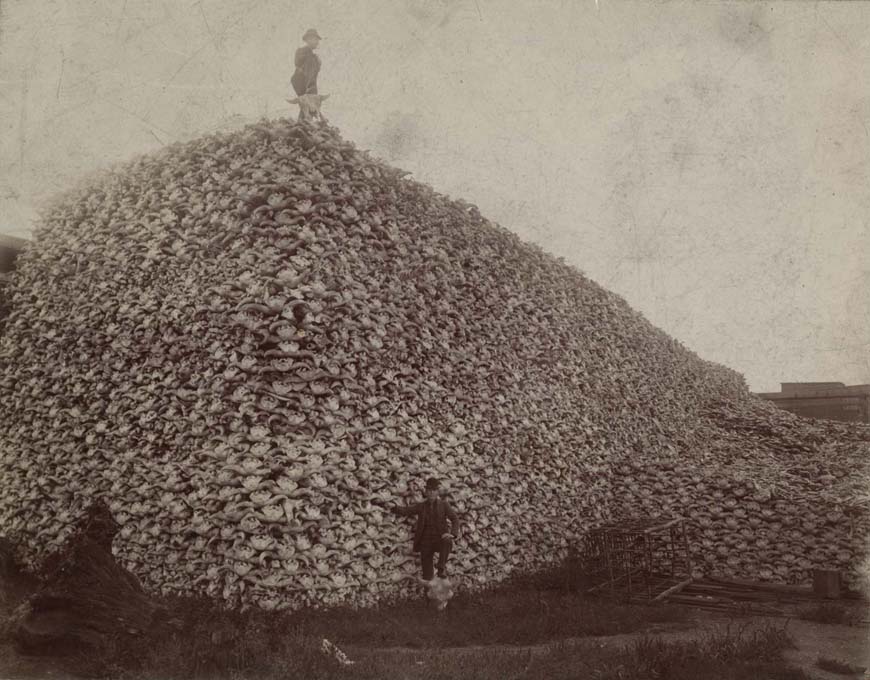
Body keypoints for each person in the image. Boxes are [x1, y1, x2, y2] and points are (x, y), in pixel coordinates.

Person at [391, 477, 461, 581]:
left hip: (439, 540)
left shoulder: (444, 505)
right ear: (426, 492)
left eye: (434, 490)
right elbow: (406, 511)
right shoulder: (421, 506)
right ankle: (429, 595)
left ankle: (441, 567)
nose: (431, 493)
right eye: (429, 491)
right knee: (427, 576)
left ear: (437, 492)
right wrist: (393, 507)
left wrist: (452, 533)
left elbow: (455, 518)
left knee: (448, 541)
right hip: (425, 543)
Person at [291, 28, 322, 98]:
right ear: (309, 39)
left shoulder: (312, 56)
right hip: (307, 91)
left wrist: (317, 61)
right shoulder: (304, 52)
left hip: (306, 91)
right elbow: (299, 64)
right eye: (316, 39)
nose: (318, 42)